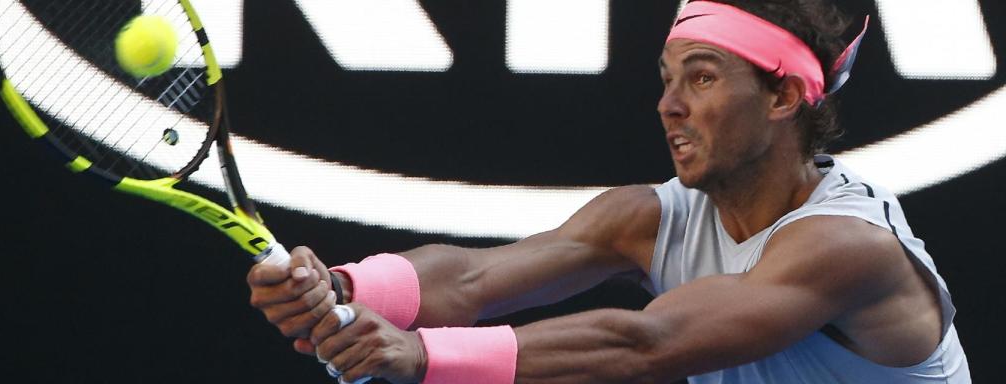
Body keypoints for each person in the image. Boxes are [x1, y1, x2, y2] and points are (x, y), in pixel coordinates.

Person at [246, 0, 971, 382]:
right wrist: (342, 288)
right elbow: (472, 278)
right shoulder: (645, 218)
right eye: (667, 77)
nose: (669, 105)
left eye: (704, 77)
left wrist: (421, 356)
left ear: (783, 98)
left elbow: (646, 342)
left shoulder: (848, 246)